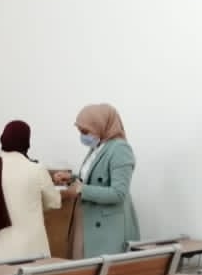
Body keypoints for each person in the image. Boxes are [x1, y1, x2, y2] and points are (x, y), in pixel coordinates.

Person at [0, 120, 61, 261]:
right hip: (31, 248)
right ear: (27, 143)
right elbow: (54, 202)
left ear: (2, 139)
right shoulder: (36, 169)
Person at [57, 103, 140, 258]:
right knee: (82, 265)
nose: (82, 136)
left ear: (101, 125)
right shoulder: (98, 147)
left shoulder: (120, 149)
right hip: (87, 219)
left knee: (99, 269)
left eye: (85, 131)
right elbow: (93, 180)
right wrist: (72, 179)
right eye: (80, 131)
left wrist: (82, 189)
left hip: (107, 228)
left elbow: (118, 193)